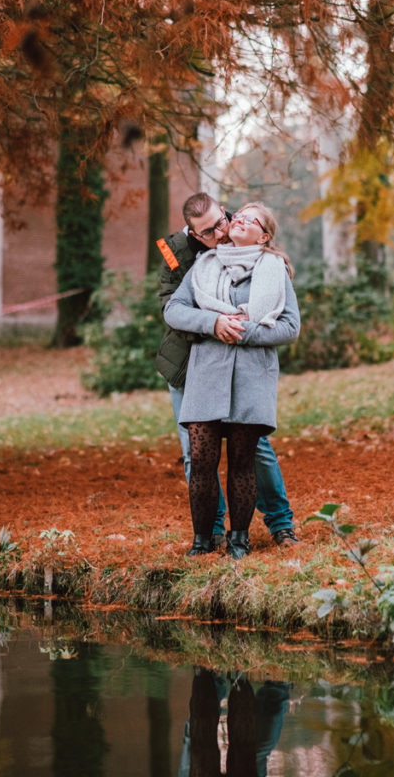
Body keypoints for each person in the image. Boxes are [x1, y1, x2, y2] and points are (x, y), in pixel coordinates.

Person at [156, 192, 299, 549]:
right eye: (207, 232)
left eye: (222, 222)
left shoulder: (249, 231)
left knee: (253, 450)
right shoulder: (183, 256)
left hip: (245, 364)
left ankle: (279, 525)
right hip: (192, 361)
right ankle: (211, 533)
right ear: (192, 233)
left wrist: (242, 329)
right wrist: (215, 322)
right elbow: (172, 309)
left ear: (225, 212)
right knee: (196, 452)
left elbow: (288, 323)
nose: (219, 233)